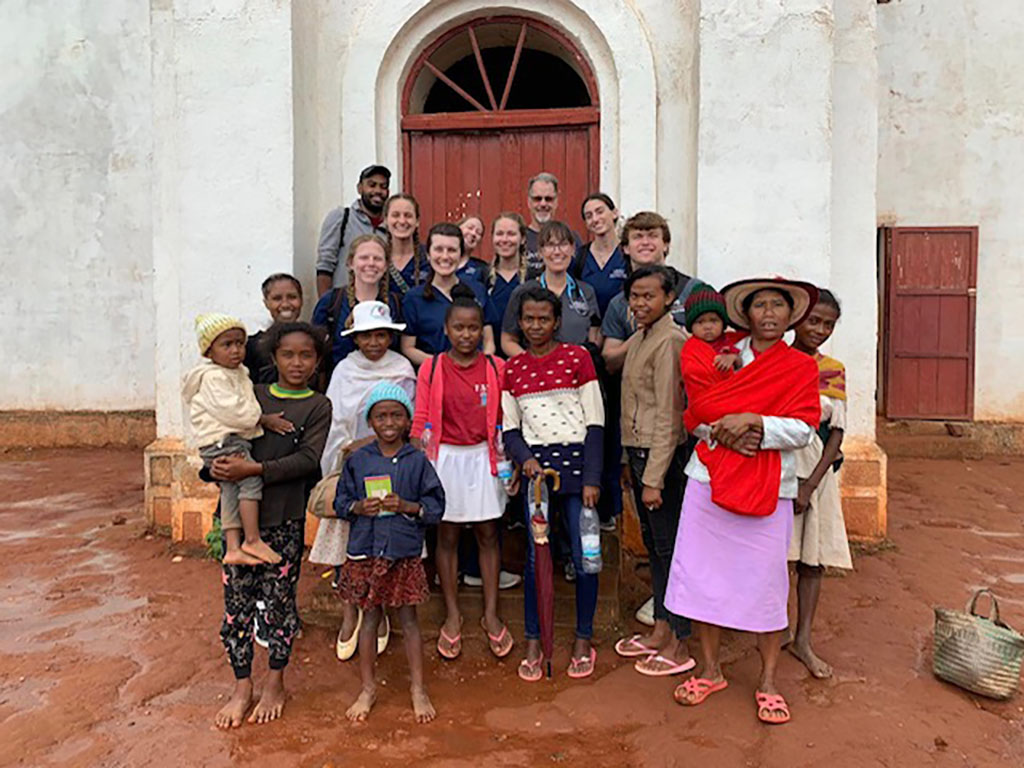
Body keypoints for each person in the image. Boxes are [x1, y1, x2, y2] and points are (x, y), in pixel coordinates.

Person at [666, 277, 821, 726]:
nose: (769, 313)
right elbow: (695, 414)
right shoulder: (718, 358)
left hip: (771, 484)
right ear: (746, 314)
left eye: (779, 306)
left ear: (791, 316)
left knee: (766, 583)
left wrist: (754, 422)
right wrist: (721, 431)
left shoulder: (800, 367)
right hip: (710, 476)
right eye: (761, 306)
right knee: (703, 579)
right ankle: (711, 670)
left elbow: (804, 428)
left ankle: (768, 680)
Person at [211, 321, 332, 728]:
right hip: (236, 527)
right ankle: (242, 686)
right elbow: (221, 438)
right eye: (288, 355)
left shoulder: (318, 405)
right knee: (236, 611)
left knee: (280, 607)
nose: (297, 363)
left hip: (285, 520)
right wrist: (216, 469)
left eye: (306, 356)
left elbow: (308, 460)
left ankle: (275, 681)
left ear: (317, 362)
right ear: (273, 358)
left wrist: (254, 468)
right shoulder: (252, 395)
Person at [501, 286, 604, 681]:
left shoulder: (577, 359)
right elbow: (511, 431)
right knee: (535, 559)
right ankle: (533, 639)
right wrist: (526, 461)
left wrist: (592, 478)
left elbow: (595, 423)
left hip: (579, 476)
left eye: (544, 319)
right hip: (537, 481)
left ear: (557, 321)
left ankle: (582, 638)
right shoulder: (513, 369)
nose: (536, 326)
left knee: (584, 558)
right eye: (529, 319)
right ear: (520, 323)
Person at [410, 286, 512, 662]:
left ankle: (490, 613)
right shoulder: (432, 367)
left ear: (482, 329)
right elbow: (421, 418)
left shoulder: (497, 368)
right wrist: (419, 462)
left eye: (472, 328)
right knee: (447, 534)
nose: (466, 335)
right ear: (446, 330)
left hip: (485, 459)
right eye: (458, 328)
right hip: (445, 459)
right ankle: (452, 614)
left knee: (488, 533)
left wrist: (508, 462)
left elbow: (506, 418)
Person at [311, 301, 416, 662]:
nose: (374, 342)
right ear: (355, 338)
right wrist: (345, 453)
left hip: (391, 463)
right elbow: (336, 420)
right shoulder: (345, 370)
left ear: (390, 335)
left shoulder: (402, 368)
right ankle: (350, 610)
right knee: (349, 536)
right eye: (366, 335)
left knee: (381, 536)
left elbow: (407, 419)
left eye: (381, 334)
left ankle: (380, 608)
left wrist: (375, 445)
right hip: (351, 464)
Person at [336, 382, 445, 724]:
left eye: (396, 415)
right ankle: (367, 689)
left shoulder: (417, 460)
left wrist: (409, 506)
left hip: (403, 551)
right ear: (370, 421)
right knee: (369, 618)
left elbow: (436, 505)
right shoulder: (358, 460)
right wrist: (358, 506)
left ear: (407, 420)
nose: (388, 422)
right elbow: (340, 503)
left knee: (409, 621)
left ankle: (418, 689)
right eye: (380, 415)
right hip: (366, 550)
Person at [612, 267, 695, 677]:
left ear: (668, 299)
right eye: (635, 296)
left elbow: (669, 414)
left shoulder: (671, 342)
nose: (641, 303)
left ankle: (681, 642)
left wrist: (654, 479)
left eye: (649, 296)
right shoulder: (643, 336)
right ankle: (661, 628)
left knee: (670, 549)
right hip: (641, 455)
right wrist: (631, 463)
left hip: (661, 460)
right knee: (655, 546)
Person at [786, 288, 852, 679]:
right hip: (779, 471)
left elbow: (836, 433)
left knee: (812, 560)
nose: (821, 330)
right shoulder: (774, 359)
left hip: (818, 475)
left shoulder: (832, 368)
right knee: (779, 558)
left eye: (828, 324)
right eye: (814, 321)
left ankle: (803, 639)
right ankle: (774, 629)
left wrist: (810, 484)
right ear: (797, 319)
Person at [183, 313, 283, 566]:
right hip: (225, 441)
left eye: (239, 343)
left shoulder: (237, 372)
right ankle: (251, 539)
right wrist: (262, 418)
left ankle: (232, 547)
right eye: (226, 345)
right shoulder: (214, 377)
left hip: (225, 440)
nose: (236, 350)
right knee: (250, 483)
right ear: (209, 351)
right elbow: (237, 412)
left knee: (230, 489)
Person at [600, 212, 699, 374]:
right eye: (638, 237)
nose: (645, 242)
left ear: (666, 245)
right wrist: (641, 335)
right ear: (625, 248)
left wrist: (675, 335)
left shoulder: (693, 289)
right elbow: (610, 362)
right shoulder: (618, 303)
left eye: (653, 236)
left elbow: (718, 340)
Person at [401, 222, 497, 367]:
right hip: (435, 376)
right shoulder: (414, 298)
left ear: (461, 254)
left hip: (474, 374)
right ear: (428, 254)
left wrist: (481, 363)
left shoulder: (478, 290)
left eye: (452, 250)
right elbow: (408, 348)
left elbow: (488, 340)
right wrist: (443, 365)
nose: (445, 256)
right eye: (438, 249)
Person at [500, 220, 601, 358]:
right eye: (550, 245)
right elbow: (507, 340)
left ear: (572, 249)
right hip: (536, 371)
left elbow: (594, 337)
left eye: (563, 244)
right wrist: (534, 363)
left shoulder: (586, 292)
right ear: (540, 252)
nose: (557, 252)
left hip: (575, 370)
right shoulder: (524, 292)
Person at [312, 234, 403, 373]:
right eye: (364, 258)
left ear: (386, 266)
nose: (371, 263)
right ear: (350, 263)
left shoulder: (397, 304)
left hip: (387, 386)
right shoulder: (331, 302)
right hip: (341, 385)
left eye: (377, 258)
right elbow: (315, 347)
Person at [316, 164, 391, 296]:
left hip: (380, 307)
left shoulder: (392, 226)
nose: (378, 191)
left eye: (383, 186)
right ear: (360, 188)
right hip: (344, 305)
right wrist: (327, 306)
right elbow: (324, 266)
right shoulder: (341, 218)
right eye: (372, 185)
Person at [574, 194, 628, 315]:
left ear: (614, 213)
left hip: (622, 330)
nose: (595, 219)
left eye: (600, 212)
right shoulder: (580, 257)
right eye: (589, 216)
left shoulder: (628, 253)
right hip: (589, 330)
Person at [245, 274, 304, 385]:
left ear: (301, 299)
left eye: (292, 297)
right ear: (266, 303)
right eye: (277, 298)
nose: (285, 304)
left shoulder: (314, 343)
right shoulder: (252, 346)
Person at [523, 173, 582, 278]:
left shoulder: (571, 238)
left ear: (556, 201)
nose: (543, 204)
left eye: (549, 199)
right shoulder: (519, 239)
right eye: (537, 199)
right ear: (529, 201)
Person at [488, 212, 528, 354]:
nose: (504, 239)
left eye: (511, 234)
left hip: (524, 356)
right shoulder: (482, 277)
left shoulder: (533, 279)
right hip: (490, 358)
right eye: (499, 234)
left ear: (522, 238)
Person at [384, 194, 427, 295]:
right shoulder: (376, 258)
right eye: (395, 215)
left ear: (417, 221)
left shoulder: (429, 257)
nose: (402, 221)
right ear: (385, 220)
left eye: (408, 215)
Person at [457, 215, 491, 285]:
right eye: (470, 228)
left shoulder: (482, 269)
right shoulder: (435, 260)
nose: (473, 233)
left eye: (478, 233)